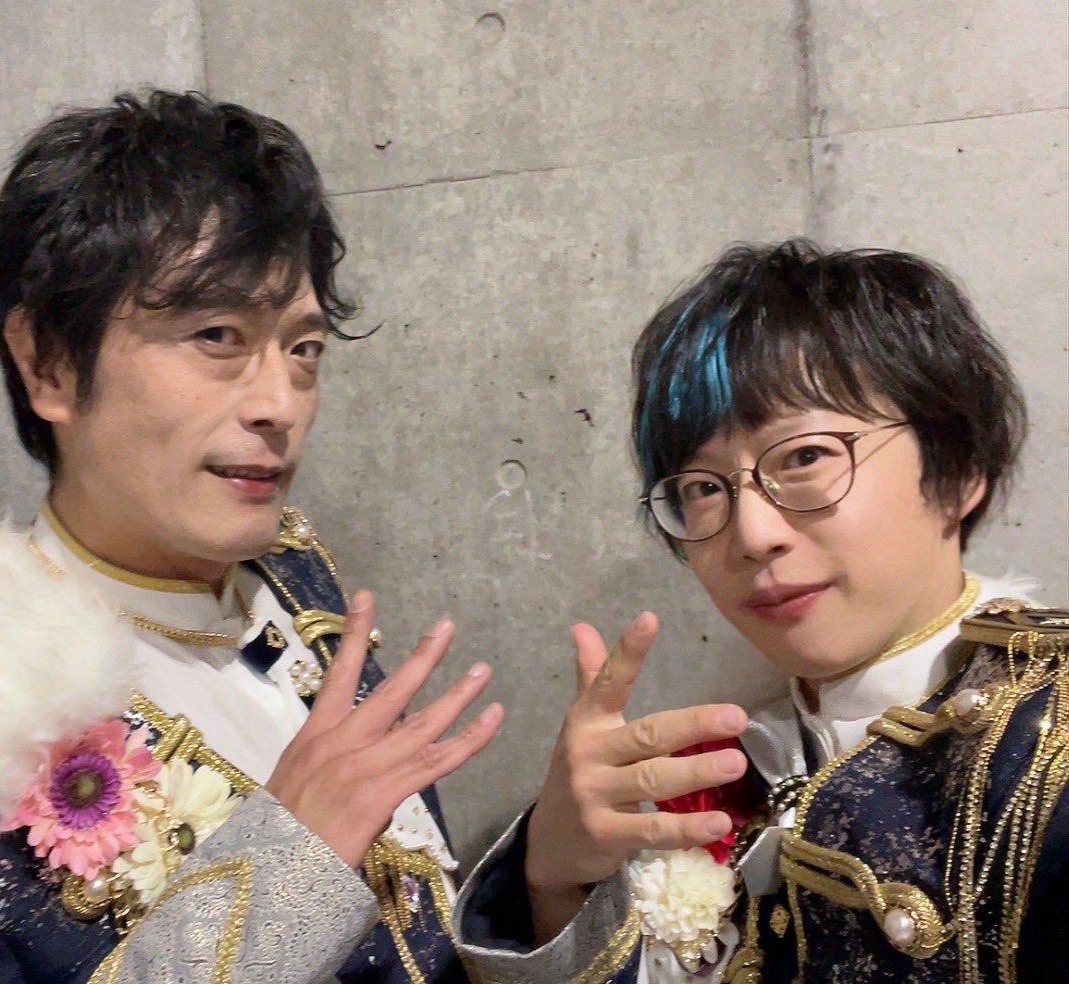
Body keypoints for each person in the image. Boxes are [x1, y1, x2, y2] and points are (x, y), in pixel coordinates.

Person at [0, 90, 744, 983]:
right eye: (216, 336)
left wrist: (546, 874)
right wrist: (283, 876)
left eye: (302, 348)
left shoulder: (294, 588)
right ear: (48, 363)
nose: (280, 402)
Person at [456, 239, 1066, 982]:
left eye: (805, 457)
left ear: (959, 470)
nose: (751, 534)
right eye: (703, 488)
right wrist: (551, 881)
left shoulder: (1045, 756)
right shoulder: (724, 766)